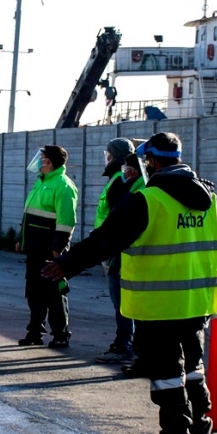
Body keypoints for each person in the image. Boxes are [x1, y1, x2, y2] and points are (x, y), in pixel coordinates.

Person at [41, 132, 217, 434]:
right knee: (193, 371)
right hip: (198, 303)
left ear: (152, 162)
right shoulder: (208, 197)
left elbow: (106, 240)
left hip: (159, 305)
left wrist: (66, 265)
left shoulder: (147, 199)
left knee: (167, 378)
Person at [14, 145, 78, 349]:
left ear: (49, 161)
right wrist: (21, 240)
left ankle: (61, 334)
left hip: (50, 250)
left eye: (41, 158)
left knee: (54, 294)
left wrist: (58, 248)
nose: (38, 161)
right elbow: (29, 216)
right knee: (33, 292)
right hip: (34, 249)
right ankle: (35, 332)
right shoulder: (41, 183)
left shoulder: (63, 185)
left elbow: (66, 221)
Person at [93, 138, 144, 365]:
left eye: (108, 153)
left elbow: (115, 217)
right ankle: (132, 345)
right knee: (127, 301)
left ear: (113, 156)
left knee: (121, 301)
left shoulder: (120, 180)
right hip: (120, 248)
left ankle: (124, 345)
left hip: (116, 249)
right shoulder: (130, 177)